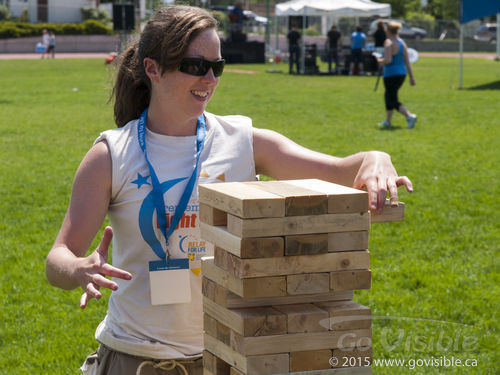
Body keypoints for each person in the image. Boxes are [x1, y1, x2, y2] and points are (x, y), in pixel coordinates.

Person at [45, 5, 413, 375]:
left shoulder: (243, 141)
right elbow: (57, 257)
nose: (209, 78)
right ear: (153, 68)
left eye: (217, 67)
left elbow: (338, 170)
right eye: (194, 66)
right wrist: (77, 269)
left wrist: (375, 158)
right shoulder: (111, 154)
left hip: (229, 356)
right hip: (133, 359)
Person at [376, 21, 417, 129]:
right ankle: (387, 121)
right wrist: (412, 77)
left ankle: (409, 116)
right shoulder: (401, 42)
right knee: (389, 95)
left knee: (392, 99)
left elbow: (388, 60)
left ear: (388, 31)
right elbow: (407, 61)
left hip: (391, 74)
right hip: (401, 74)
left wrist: (380, 60)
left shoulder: (388, 42)